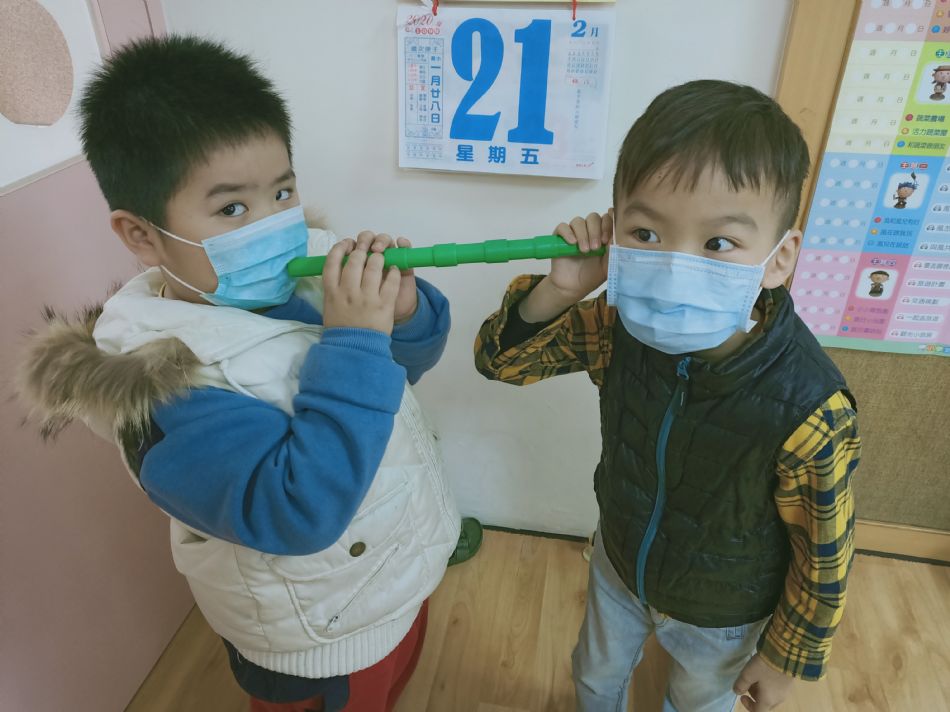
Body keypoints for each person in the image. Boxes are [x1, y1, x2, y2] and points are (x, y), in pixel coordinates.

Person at [18, 35, 469, 712]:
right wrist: (353, 339)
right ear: (141, 235)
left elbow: (401, 373)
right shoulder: (164, 393)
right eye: (232, 208)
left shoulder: (306, 272)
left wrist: (401, 313)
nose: (275, 224)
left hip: (390, 580)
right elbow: (297, 511)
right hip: (316, 637)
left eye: (283, 191)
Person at [474, 80, 861, 712]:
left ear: (779, 258)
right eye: (647, 234)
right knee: (593, 680)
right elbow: (502, 363)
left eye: (718, 243)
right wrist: (562, 289)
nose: (676, 266)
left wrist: (787, 657)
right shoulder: (619, 328)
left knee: (696, 704)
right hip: (620, 565)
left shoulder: (810, 408)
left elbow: (825, 555)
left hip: (724, 612)